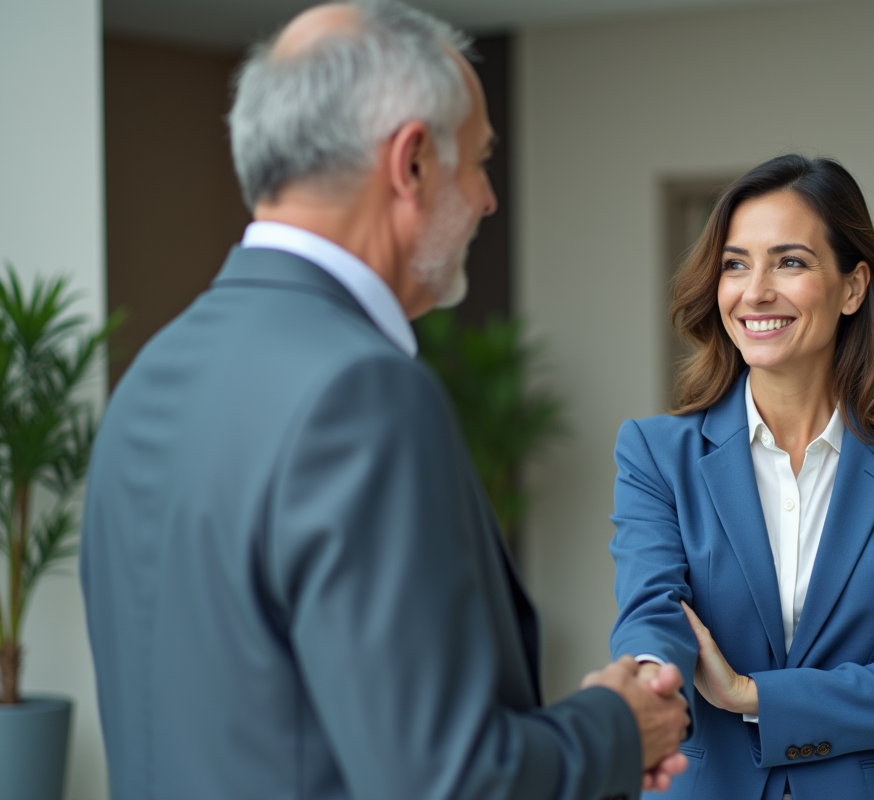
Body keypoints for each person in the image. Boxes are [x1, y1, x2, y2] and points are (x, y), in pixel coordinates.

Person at [80, 3, 689, 799]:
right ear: (411, 164)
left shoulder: (149, 376)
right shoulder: (360, 394)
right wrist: (617, 725)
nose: (487, 200)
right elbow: (449, 782)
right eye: (477, 161)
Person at [608, 154, 874, 799]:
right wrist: (649, 678)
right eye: (736, 264)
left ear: (853, 286)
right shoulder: (654, 453)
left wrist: (753, 695)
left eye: (789, 261)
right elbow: (653, 612)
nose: (755, 291)